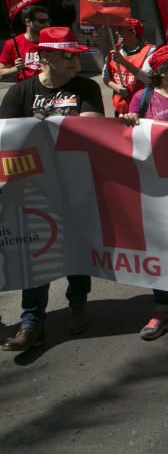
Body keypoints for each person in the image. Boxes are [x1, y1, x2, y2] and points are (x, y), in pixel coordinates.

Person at [0, 27, 104, 351]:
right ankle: (32, 322)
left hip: (75, 184)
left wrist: (40, 126)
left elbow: (91, 128)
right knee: (35, 249)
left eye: (75, 53)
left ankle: (77, 303)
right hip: (32, 187)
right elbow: (7, 136)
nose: (75, 59)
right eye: (66, 54)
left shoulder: (85, 86)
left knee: (74, 247)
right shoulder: (20, 91)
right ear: (45, 57)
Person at [117, 44, 168, 340]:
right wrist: (129, 123)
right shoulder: (143, 97)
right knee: (161, 247)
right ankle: (163, 308)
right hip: (159, 188)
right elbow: (127, 137)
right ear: (162, 72)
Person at [103, 18, 155, 116]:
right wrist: (117, 88)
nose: (117, 32)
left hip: (142, 110)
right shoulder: (114, 50)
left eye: (121, 29)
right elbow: (105, 77)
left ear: (133, 32)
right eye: (117, 29)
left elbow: (147, 79)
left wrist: (123, 62)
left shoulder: (149, 50)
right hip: (120, 109)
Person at [0, 5, 49, 81]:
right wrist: (16, 68)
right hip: (26, 89)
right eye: (41, 21)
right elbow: (1, 74)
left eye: (48, 21)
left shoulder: (53, 40)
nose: (47, 25)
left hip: (50, 87)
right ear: (28, 22)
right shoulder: (12, 43)